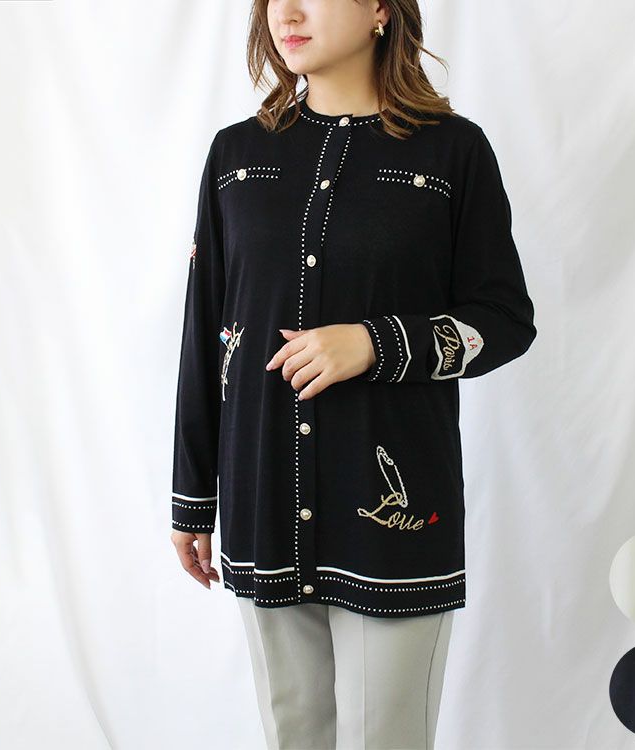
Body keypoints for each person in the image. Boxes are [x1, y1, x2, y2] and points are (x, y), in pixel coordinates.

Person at [170, 1, 537, 748]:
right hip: (264, 500)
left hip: (394, 514)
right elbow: (207, 330)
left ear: (379, 10)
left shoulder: (452, 152)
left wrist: (377, 343)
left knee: (386, 736)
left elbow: (505, 320)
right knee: (294, 732)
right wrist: (192, 496)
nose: (287, 12)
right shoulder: (236, 155)